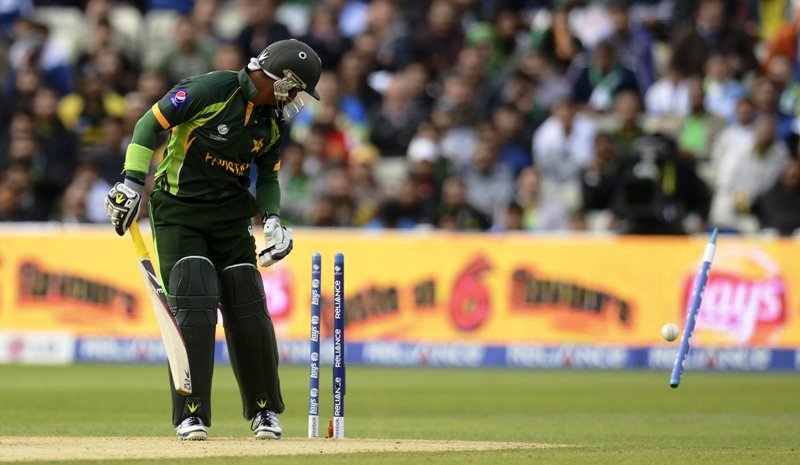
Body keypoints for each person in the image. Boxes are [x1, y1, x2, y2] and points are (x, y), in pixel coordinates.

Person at [103, 39, 322, 441]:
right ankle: (191, 413)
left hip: (231, 218)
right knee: (194, 295)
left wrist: (273, 218)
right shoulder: (210, 90)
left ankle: (264, 411)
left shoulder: (271, 123)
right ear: (281, 79)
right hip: (179, 213)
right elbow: (148, 125)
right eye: (296, 89)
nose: (296, 99)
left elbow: (268, 175)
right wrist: (132, 181)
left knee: (247, 302)